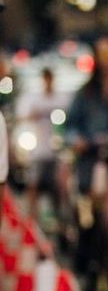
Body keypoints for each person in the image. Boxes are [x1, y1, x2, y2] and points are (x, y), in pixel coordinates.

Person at [65, 36, 108, 280]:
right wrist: (77, 141)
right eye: (102, 55)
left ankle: (106, 270)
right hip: (91, 169)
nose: (107, 60)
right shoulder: (86, 93)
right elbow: (70, 128)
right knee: (90, 223)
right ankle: (92, 268)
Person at [16, 66, 61, 223]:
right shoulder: (33, 98)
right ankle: (31, 219)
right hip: (37, 149)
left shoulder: (59, 99)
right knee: (32, 184)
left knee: (56, 187)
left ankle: (57, 218)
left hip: (55, 150)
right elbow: (22, 117)